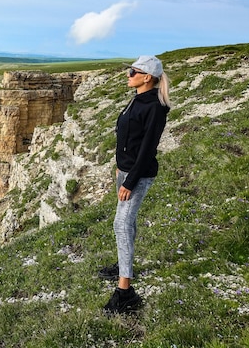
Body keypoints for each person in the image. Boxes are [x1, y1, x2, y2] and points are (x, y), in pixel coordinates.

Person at [100, 55, 171, 315]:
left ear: (147, 77)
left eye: (133, 71)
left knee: (121, 224)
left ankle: (125, 293)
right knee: (127, 223)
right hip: (127, 171)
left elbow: (148, 149)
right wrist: (121, 166)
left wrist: (130, 180)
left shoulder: (154, 107)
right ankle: (123, 267)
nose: (128, 75)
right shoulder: (139, 98)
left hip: (138, 176)